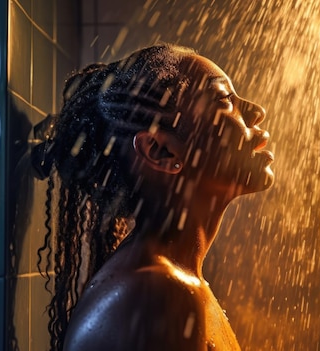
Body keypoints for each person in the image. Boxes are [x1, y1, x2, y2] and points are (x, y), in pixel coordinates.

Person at [31, 44, 275, 351]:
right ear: (161, 151)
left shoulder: (166, 282)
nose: (255, 111)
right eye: (224, 100)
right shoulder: (155, 296)